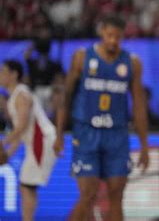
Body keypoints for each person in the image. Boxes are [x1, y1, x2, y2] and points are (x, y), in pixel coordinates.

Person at [53, 15, 149, 221]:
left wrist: (144, 145)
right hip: (86, 132)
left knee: (116, 194)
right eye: (109, 35)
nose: (113, 41)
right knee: (88, 193)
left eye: (118, 37)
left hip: (117, 134)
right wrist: (59, 133)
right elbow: (66, 97)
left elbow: (139, 106)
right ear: (101, 32)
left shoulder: (132, 63)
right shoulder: (82, 57)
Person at [0, 59, 57, 221]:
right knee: (26, 186)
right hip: (36, 143)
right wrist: (8, 154)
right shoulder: (14, 97)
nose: (0, 75)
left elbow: (22, 126)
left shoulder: (21, 95)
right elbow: (20, 135)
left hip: (42, 141)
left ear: (14, 74)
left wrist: (3, 143)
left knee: (27, 186)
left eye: (3, 71)